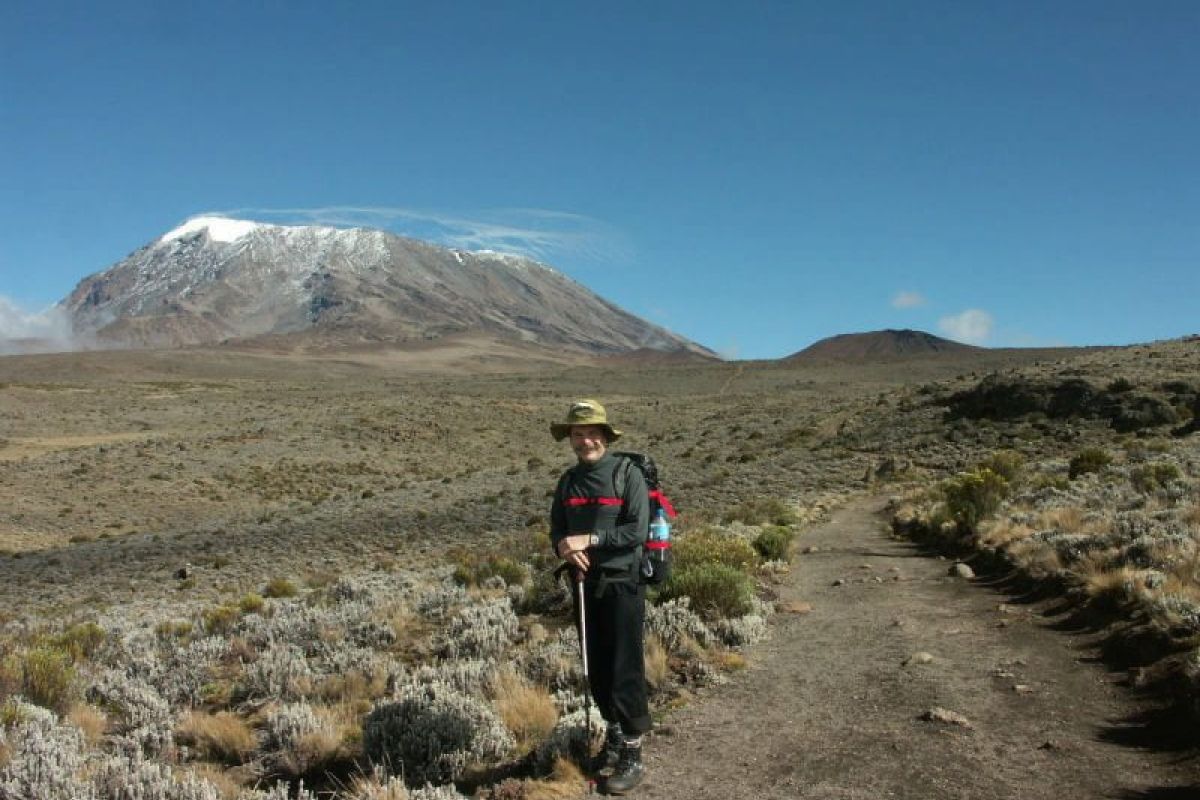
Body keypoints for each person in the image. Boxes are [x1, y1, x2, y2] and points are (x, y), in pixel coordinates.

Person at [549, 398, 650, 794]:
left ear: (605, 436)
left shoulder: (627, 475)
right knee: (597, 666)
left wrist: (588, 539)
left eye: (592, 433)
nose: (585, 440)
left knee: (625, 667)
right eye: (578, 433)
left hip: (623, 582)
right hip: (583, 583)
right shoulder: (568, 481)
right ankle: (612, 734)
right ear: (570, 438)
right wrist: (565, 548)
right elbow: (557, 529)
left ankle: (632, 751)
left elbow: (635, 532)